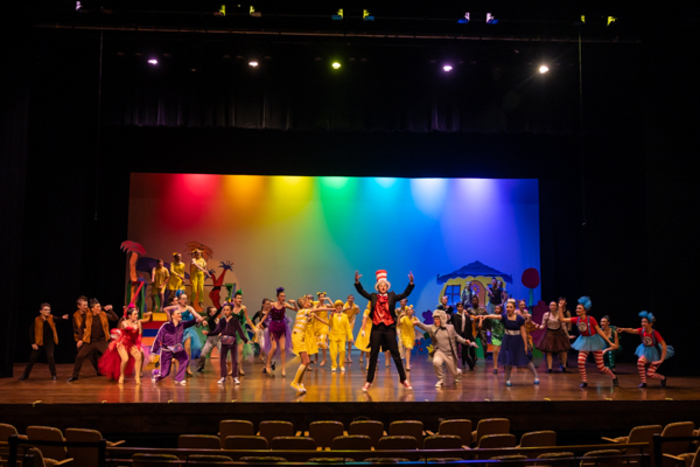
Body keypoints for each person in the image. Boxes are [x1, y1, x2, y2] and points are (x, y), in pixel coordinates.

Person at [354, 269, 414, 392]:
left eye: (384, 285)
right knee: (373, 355)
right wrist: (357, 282)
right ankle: (368, 381)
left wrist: (411, 284)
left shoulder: (392, 296)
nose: (383, 287)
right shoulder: (373, 296)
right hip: (377, 329)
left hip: (389, 329)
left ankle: (403, 379)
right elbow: (361, 291)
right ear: (378, 287)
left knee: (396, 355)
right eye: (381, 285)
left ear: (387, 286)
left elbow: (404, 294)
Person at [558, 296, 619, 388]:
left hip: (594, 341)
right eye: (576, 308)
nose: (577, 309)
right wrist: (560, 307)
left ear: (585, 310)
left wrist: (609, 343)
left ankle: (613, 377)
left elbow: (599, 331)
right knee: (580, 361)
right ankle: (584, 381)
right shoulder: (576, 319)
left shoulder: (591, 319)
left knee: (601, 367)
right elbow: (562, 319)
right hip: (584, 341)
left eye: (579, 308)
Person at [479, 299, 540, 386]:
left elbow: (523, 332)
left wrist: (525, 345)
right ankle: (508, 378)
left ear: (514, 308)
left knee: (526, 360)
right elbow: (495, 316)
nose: (508, 308)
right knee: (508, 360)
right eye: (507, 307)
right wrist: (486, 316)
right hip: (507, 340)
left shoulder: (519, 318)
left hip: (518, 340)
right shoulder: (504, 317)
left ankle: (536, 376)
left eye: (511, 307)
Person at [413, 309, 471, 387]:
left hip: (449, 353)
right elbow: (424, 327)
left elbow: (457, 337)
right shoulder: (433, 328)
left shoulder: (450, 328)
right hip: (439, 351)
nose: (435, 320)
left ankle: (459, 375)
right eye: (434, 319)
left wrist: (465, 341)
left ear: (442, 318)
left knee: (454, 372)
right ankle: (440, 380)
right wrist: (418, 323)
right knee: (436, 362)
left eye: (437, 318)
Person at [618, 311, 674, 388]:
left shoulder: (655, 333)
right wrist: (623, 329)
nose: (642, 324)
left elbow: (664, 345)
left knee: (650, 374)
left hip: (656, 354)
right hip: (646, 351)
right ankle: (644, 382)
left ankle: (663, 378)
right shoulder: (642, 330)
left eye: (645, 322)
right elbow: (633, 330)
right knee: (640, 362)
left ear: (650, 324)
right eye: (642, 322)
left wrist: (661, 360)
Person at [68, 299, 119, 382]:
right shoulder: (87, 316)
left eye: (99, 306)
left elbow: (115, 318)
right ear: (92, 309)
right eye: (97, 307)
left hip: (101, 341)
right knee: (79, 356)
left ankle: (114, 375)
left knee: (111, 355)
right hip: (90, 342)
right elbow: (81, 328)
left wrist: (110, 310)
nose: (99, 308)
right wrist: (80, 339)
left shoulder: (103, 314)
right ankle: (75, 376)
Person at [98, 306, 152, 384]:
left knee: (139, 356)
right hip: (122, 343)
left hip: (131, 344)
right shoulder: (124, 323)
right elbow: (128, 328)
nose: (137, 316)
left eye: (137, 314)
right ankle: (122, 375)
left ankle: (137, 376)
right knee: (125, 359)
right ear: (129, 316)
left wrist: (138, 348)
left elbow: (139, 337)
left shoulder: (138, 323)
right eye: (135, 314)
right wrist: (134, 327)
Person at [290, 296, 331, 393]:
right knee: (305, 361)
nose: (309, 302)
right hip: (298, 337)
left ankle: (299, 383)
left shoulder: (305, 312)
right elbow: (320, 309)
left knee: (307, 361)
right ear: (304, 304)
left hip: (301, 337)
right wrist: (333, 309)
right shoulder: (304, 311)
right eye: (308, 301)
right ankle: (295, 382)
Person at [151, 307, 202, 385]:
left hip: (178, 349)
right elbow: (158, 339)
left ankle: (178, 379)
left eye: (180, 313)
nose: (180, 315)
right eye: (178, 313)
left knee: (185, 359)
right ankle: (156, 374)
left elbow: (191, 322)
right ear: (172, 316)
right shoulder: (166, 326)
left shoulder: (182, 325)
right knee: (165, 373)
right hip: (166, 351)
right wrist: (153, 352)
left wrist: (198, 319)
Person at [18, 303, 69, 381]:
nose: (47, 311)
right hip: (39, 342)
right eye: (45, 310)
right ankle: (25, 375)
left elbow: (58, 318)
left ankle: (54, 375)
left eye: (49, 310)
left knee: (50, 357)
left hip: (49, 342)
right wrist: (33, 343)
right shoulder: (37, 320)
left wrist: (63, 317)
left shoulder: (51, 317)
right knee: (32, 358)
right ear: (41, 311)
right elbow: (31, 332)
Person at [206, 301, 249, 384]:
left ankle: (235, 377)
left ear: (231, 311)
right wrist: (208, 333)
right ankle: (223, 377)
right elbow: (217, 330)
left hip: (233, 342)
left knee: (234, 359)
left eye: (227, 310)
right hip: (224, 342)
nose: (225, 312)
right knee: (222, 359)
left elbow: (240, 331)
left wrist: (245, 340)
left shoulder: (235, 320)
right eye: (224, 310)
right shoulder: (222, 321)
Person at [163, 293, 206, 376]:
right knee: (177, 351)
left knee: (188, 349)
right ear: (179, 300)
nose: (185, 300)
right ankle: (179, 369)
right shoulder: (176, 308)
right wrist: (169, 317)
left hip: (188, 330)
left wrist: (201, 319)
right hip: (177, 331)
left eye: (186, 298)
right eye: (183, 298)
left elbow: (196, 314)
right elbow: (165, 309)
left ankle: (187, 368)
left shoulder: (189, 308)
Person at [259, 287, 296, 376]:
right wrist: (260, 322)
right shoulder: (272, 305)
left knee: (283, 348)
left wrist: (294, 302)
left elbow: (296, 309)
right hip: (274, 327)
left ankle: (283, 368)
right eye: (282, 296)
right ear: (277, 297)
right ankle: (267, 365)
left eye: (284, 296)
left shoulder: (285, 305)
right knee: (274, 347)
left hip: (282, 327)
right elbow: (266, 315)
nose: (283, 298)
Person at [533, 301, 571, 373]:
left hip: (558, 334)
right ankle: (550, 368)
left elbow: (563, 327)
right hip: (549, 334)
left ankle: (564, 366)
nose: (552, 307)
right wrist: (537, 327)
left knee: (563, 351)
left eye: (554, 305)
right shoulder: (546, 315)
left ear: (556, 307)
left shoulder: (560, 315)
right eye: (551, 305)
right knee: (549, 352)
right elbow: (542, 326)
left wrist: (568, 335)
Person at [229, 290, 257, 376]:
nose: (240, 299)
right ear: (234, 299)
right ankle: (232, 368)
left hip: (241, 331)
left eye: (241, 298)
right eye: (238, 298)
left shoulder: (243, 308)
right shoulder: (230, 308)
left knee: (240, 350)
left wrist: (254, 328)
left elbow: (248, 319)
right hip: (232, 331)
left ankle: (240, 368)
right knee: (232, 351)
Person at [72, 295, 99, 375]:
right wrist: (82, 330)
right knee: (79, 357)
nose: (86, 307)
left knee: (94, 357)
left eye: (86, 305)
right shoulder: (75, 316)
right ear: (79, 306)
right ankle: (75, 374)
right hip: (80, 338)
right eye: (84, 305)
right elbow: (75, 329)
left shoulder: (90, 312)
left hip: (90, 338)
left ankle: (99, 371)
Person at [329, 300, 354, 371]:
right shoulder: (332, 315)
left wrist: (350, 337)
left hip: (342, 336)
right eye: (338, 306)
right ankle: (333, 365)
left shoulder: (345, 316)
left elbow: (348, 327)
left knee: (343, 350)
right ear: (335, 307)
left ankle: (341, 365)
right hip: (333, 335)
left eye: (341, 306)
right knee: (333, 352)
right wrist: (331, 317)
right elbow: (330, 324)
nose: (339, 307)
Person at [479, 305, 504, 374]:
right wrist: (485, 314)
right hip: (495, 336)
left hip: (503, 336)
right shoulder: (492, 317)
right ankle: (495, 367)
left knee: (504, 352)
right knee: (495, 351)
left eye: (498, 308)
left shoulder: (503, 317)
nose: (496, 310)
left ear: (501, 310)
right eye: (495, 308)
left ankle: (506, 364)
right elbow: (486, 317)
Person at [195, 306, 222, 372]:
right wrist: (221, 306)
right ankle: (201, 366)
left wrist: (221, 332)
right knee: (203, 354)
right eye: (214, 311)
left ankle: (226, 366)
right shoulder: (210, 320)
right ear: (210, 313)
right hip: (210, 340)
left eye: (216, 311)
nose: (216, 313)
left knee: (224, 353)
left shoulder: (220, 321)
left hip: (219, 340)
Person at [451, 302, 475, 371]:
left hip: (464, 335)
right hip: (456, 335)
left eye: (461, 307)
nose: (460, 308)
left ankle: (471, 365)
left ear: (463, 307)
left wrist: (470, 337)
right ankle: (453, 366)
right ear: (457, 308)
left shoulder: (467, 317)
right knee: (454, 351)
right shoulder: (454, 316)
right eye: (459, 307)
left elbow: (469, 328)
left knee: (465, 353)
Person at [251, 298, 272, 367]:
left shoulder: (271, 312)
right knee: (263, 346)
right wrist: (256, 326)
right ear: (263, 304)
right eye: (267, 304)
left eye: (269, 304)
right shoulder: (259, 313)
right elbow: (252, 320)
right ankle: (264, 358)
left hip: (269, 331)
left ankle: (266, 361)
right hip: (261, 332)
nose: (268, 305)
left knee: (268, 347)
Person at [468, 295, 488, 362]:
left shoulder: (482, 309)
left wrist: (485, 313)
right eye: (473, 300)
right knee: (473, 341)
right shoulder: (469, 309)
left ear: (478, 301)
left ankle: (485, 353)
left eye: (476, 300)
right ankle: (474, 356)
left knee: (484, 341)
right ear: (471, 301)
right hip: (473, 327)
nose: (475, 301)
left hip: (481, 327)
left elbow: (487, 317)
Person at [397, 304, 417, 370]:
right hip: (405, 335)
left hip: (411, 336)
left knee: (409, 349)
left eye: (411, 310)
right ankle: (407, 365)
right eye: (408, 310)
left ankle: (408, 363)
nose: (410, 311)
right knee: (408, 348)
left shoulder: (415, 318)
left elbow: (419, 324)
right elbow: (398, 324)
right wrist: (399, 316)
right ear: (406, 312)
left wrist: (415, 316)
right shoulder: (404, 318)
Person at [344, 295, 360, 363]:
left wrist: (357, 308)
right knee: (344, 340)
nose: (351, 299)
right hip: (345, 321)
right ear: (347, 299)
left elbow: (357, 312)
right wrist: (347, 309)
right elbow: (341, 311)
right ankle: (343, 356)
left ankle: (349, 356)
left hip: (351, 322)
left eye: (352, 298)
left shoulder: (355, 306)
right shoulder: (345, 305)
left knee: (350, 339)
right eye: (349, 298)